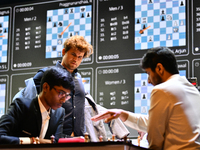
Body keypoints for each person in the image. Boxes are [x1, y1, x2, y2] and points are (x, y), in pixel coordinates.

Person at [91, 47, 200, 150]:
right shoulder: (193, 90)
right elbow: (155, 123)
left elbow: (155, 139)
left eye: (148, 73)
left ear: (159, 68)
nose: (148, 80)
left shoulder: (162, 90)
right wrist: (122, 114)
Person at [33, 35, 93, 137]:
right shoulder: (46, 74)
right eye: (73, 54)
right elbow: (33, 106)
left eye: (80, 57)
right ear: (64, 51)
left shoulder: (78, 78)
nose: (76, 59)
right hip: (55, 137)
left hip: (79, 138)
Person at [0, 67, 75, 144]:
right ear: (46, 87)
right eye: (61, 93)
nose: (63, 100)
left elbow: (55, 143)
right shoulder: (21, 106)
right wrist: (32, 141)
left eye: (67, 96)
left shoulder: (59, 113)